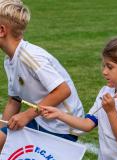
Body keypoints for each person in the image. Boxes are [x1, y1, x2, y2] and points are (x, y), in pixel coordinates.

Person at [0, 0, 84, 152]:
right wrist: (2, 129)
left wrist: (27, 115)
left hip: (62, 126)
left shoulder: (31, 56)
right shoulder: (9, 60)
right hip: (41, 119)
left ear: (2, 30)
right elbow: (14, 100)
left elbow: (63, 90)